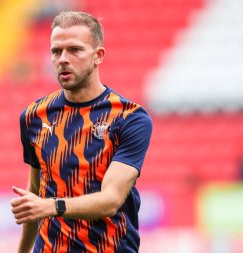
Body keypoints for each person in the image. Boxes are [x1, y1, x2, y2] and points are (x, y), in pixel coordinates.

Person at [11, 11, 152, 253]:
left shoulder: (129, 117)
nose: (63, 59)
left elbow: (111, 200)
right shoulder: (34, 116)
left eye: (74, 50)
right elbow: (35, 194)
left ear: (98, 56)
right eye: (56, 51)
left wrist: (52, 206)